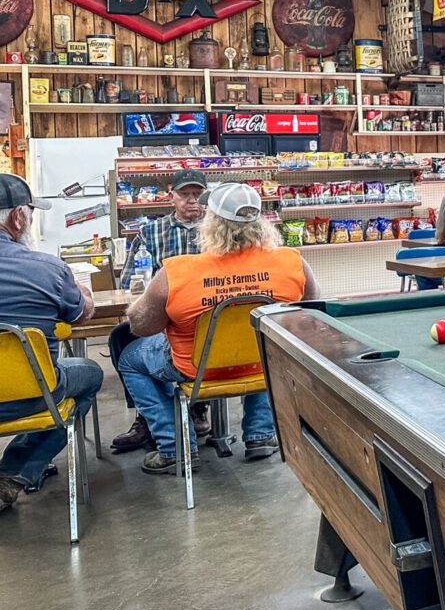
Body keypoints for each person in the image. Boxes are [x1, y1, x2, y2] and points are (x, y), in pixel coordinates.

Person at [123, 183, 317, 474]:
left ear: (210, 222)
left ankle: (175, 447)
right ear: (261, 221)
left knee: (130, 359)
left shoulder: (176, 271)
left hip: (195, 369)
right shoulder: (293, 262)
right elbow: (311, 313)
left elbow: (141, 325)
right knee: (265, 341)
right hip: (262, 364)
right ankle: (261, 434)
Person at [0, 175, 99, 513]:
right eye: (30, 212)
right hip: (33, 396)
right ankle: (15, 472)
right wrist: (82, 289)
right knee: (90, 373)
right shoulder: (47, 268)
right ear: (17, 217)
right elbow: (81, 314)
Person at [111, 169, 210, 453]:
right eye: (185, 194)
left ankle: (197, 407)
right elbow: (129, 280)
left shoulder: (218, 231)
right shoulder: (151, 232)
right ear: (172, 197)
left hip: (205, 316)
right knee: (121, 337)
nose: (192, 201)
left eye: (197, 194)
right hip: (164, 315)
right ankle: (146, 413)